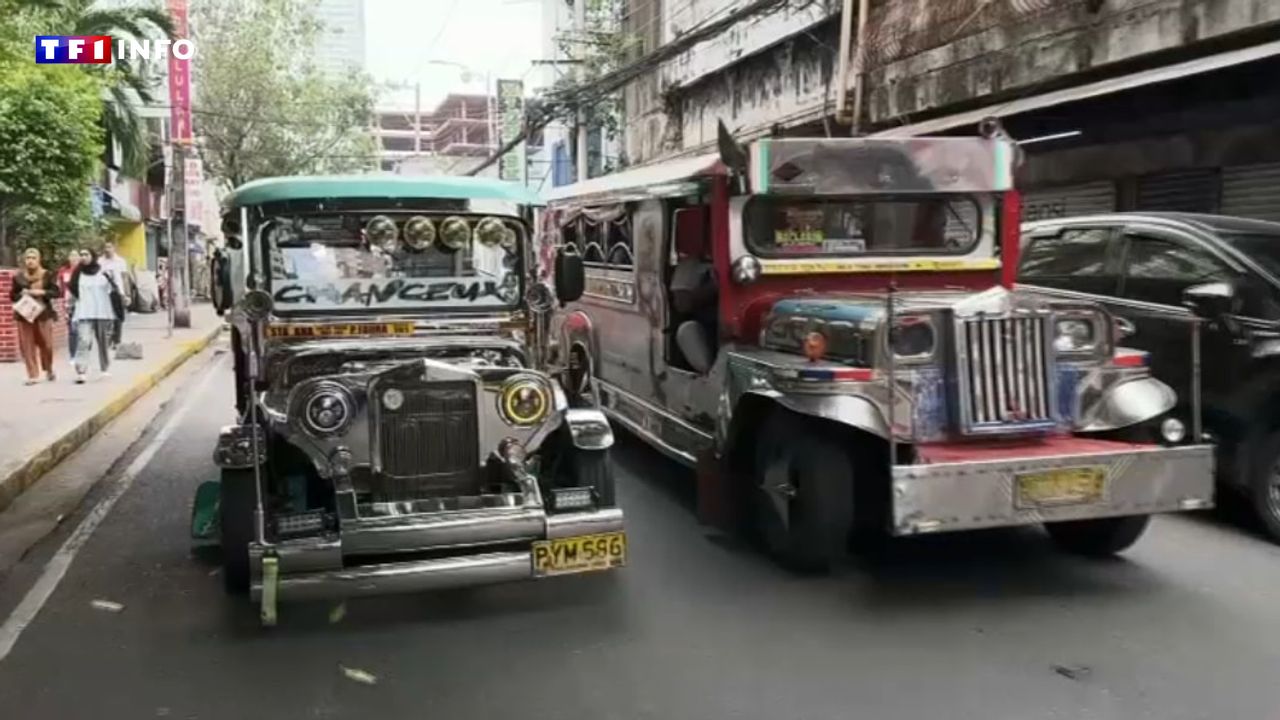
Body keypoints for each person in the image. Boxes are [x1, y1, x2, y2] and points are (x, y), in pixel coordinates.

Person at [9, 248, 60, 384]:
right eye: (28, 258)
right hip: (25, 315)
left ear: (39, 260)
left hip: (43, 314)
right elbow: (12, 295)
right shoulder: (18, 277)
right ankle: (33, 374)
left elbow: (55, 292)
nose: (30, 261)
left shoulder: (47, 275)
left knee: (47, 344)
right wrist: (21, 294)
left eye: (33, 258)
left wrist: (41, 292)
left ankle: (48, 369)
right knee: (27, 345)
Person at [68, 248, 118, 383]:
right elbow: (72, 290)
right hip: (84, 312)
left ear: (93, 256)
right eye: (82, 254)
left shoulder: (103, 272)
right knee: (84, 340)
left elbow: (113, 288)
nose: (84, 257)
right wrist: (71, 307)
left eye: (86, 254)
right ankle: (81, 372)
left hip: (102, 312)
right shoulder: (77, 273)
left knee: (103, 342)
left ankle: (104, 369)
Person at [99, 241, 130, 348]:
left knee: (118, 317)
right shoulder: (100, 262)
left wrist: (127, 294)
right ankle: (108, 339)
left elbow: (125, 278)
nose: (107, 249)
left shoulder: (120, 261)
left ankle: (117, 340)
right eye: (105, 247)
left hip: (118, 292)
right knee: (106, 317)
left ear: (114, 248)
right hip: (104, 293)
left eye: (109, 247)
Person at [56, 248, 81, 368]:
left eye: (76, 255)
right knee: (72, 330)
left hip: (82, 303)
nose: (74, 258)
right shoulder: (63, 271)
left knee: (81, 330)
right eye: (71, 255)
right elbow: (59, 287)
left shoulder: (83, 271)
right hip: (68, 303)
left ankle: (82, 352)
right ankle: (73, 355)